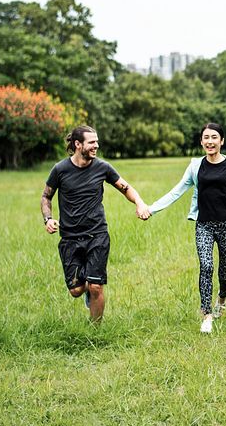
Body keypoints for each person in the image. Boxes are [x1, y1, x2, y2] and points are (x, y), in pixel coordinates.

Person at [145, 123, 226, 333]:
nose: (210, 141)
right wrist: (151, 209)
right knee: (206, 267)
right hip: (204, 225)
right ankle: (206, 314)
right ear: (201, 141)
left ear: (222, 141)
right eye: (206, 137)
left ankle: (222, 298)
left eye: (214, 137)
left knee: (225, 272)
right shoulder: (196, 166)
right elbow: (176, 191)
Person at [41, 125, 151, 323]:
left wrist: (139, 203)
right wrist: (48, 219)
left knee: (96, 286)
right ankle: (86, 288)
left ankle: (95, 331)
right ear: (77, 144)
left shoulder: (103, 167)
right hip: (70, 238)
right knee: (76, 289)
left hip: (97, 235)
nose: (96, 146)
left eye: (96, 142)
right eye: (92, 142)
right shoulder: (60, 170)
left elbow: (126, 188)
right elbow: (46, 197)